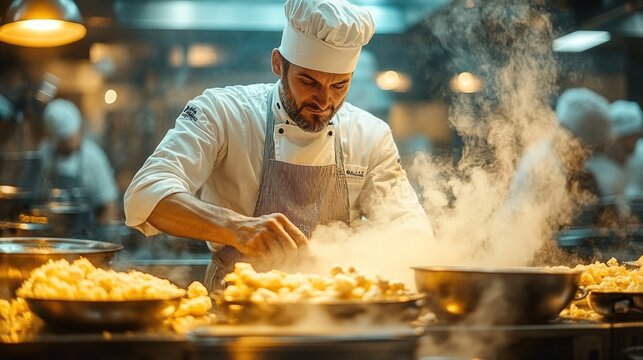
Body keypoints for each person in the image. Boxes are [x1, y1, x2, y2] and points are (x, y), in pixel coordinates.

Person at [124, 0, 433, 291]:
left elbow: (409, 230)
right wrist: (237, 228)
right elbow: (145, 195)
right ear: (278, 64)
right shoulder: (223, 112)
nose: (325, 102)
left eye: (339, 85)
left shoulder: (371, 135)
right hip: (234, 305)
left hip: (335, 311)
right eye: (308, 82)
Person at [502, 88, 613, 228]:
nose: (587, 158)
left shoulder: (555, 158)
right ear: (576, 142)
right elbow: (537, 229)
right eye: (589, 151)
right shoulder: (544, 166)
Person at [39, 98, 120, 226]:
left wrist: (101, 235)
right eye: (62, 141)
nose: (67, 144)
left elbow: (109, 206)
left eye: (69, 138)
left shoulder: (94, 157)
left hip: (88, 233)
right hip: (53, 234)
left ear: (78, 129)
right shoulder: (44, 155)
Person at [586, 100, 642, 212]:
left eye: (635, 137)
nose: (632, 144)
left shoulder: (641, 156)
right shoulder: (593, 165)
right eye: (624, 140)